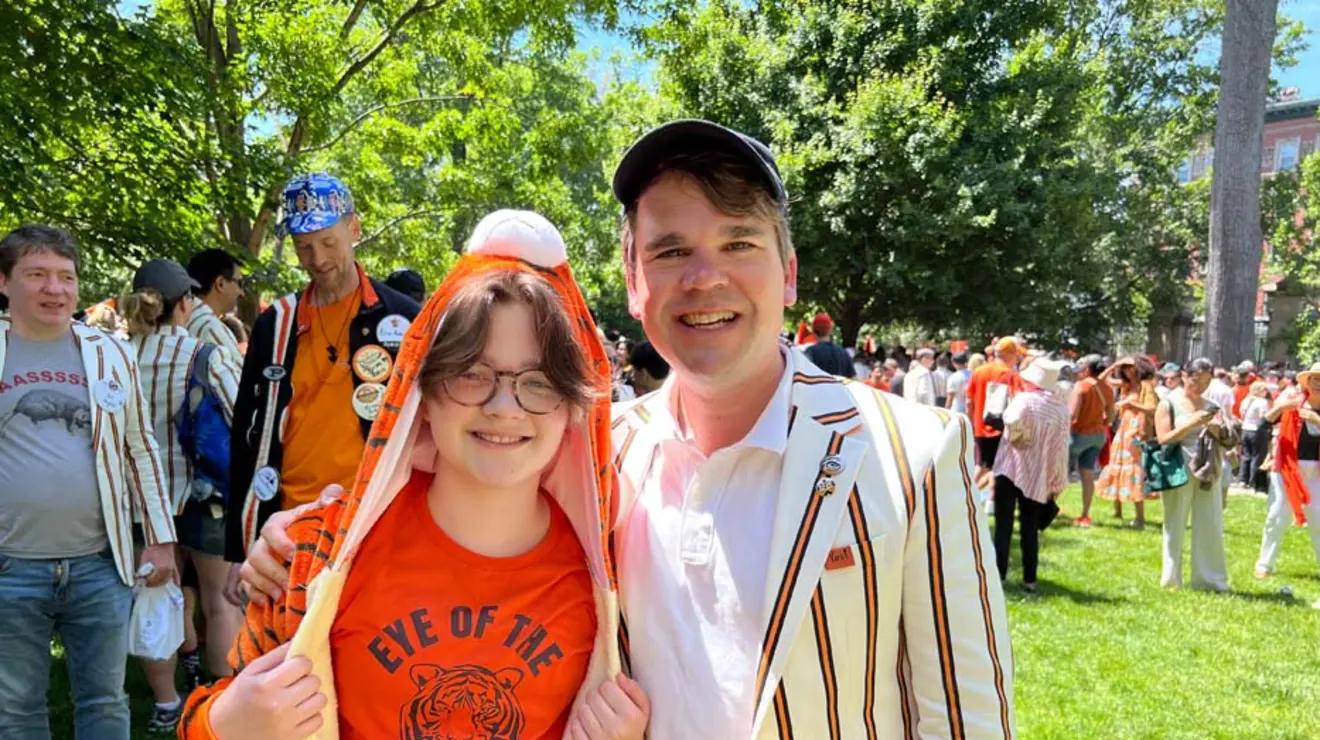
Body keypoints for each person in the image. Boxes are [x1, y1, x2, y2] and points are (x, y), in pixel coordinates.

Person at [241, 120, 1015, 737]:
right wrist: (298, 545)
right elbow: (444, 477)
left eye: (738, 242)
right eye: (670, 250)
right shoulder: (599, 454)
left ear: (789, 271)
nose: (703, 278)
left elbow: (967, 716)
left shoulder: (912, 452)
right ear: (634, 284)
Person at [181, 211, 647, 739]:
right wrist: (224, 723)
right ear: (420, 397)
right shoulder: (317, 555)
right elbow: (211, 714)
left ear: (571, 409)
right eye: (471, 374)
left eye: (538, 382)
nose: (503, 405)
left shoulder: (615, 580)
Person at [0, 225, 178, 737]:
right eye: (37, 275)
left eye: (65, 277)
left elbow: (140, 446)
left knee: (105, 701)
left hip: (101, 563)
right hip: (10, 566)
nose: (54, 289)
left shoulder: (109, 353)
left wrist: (161, 539)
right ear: (5, 282)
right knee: (15, 708)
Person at [226, 173, 421, 572]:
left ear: (353, 228)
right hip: (290, 528)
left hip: (378, 521)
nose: (317, 259)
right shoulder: (275, 325)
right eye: (303, 247)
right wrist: (243, 546)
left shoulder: (403, 318)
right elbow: (248, 438)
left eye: (328, 242)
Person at [118, 258, 245, 731]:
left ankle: (167, 702)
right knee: (220, 601)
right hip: (204, 496)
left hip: (142, 503)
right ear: (185, 303)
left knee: (160, 601)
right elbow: (241, 418)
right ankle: (224, 701)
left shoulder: (117, 352)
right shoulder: (201, 354)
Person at [1154, 358, 1236, 591]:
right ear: (1183, 376)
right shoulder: (1168, 403)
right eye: (1195, 379)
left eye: (1206, 381)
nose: (1199, 385)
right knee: (1175, 522)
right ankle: (1171, 580)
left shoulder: (1212, 405)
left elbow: (1226, 438)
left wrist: (1216, 428)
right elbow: (1163, 439)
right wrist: (1191, 424)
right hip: (1178, 467)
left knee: (1210, 522)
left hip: (1209, 468)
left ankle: (1210, 580)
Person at [991, 357, 1069, 591]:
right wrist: (1056, 482)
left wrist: (1018, 435)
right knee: (1030, 529)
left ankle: (999, 575)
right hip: (1039, 474)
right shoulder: (1061, 410)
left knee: (1003, 526)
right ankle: (1030, 580)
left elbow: (1011, 419)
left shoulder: (1023, 400)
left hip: (1010, 468)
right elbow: (1060, 449)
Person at [1253, 364, 1320, 580]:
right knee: (1276, 516)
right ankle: (1265, 564)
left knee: (1318, 519)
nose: (1318, 382)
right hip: (1287, 468)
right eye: (1315, 378)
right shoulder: (1294, 402)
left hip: (1317, 471)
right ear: (1307, 382)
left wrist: (1316, 419)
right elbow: (1265, 421)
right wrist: (1282, 407)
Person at [1096, 356, 1158, 529]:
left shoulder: (1145, 386)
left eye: (1130, 367)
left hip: (1136, 431)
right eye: (1124, 368)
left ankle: (1140, 517)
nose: (1127, 371)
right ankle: (1118, 510)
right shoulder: (1125, 385)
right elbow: (1101, 380)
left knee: (1133, 469)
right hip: (1123, 430)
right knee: (1117, 465)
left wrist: (1132, 405)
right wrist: (1114, 365)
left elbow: (1152, 408)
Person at [1068, 354, 1113, 528]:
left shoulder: (1081, 386)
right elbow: (1110, 418)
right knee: (1087, 476)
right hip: (1098, 436)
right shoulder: (1108, 389)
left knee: (1060, 474)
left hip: (1078, 435)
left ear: (1087, 370)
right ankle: (1085, 515)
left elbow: (1073, 415)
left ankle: (1046, 510)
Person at [968, 337, 1023, 473]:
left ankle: (971, 492)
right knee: (998, 471)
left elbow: (969, 401)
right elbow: (1019, 403)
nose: (1018, 357)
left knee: (982, 466)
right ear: (1010, 354)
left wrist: (972, 423)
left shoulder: (978, 371)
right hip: (1002, 429)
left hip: (980, 427)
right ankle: (974, 493)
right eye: (1017, 354)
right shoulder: (1011, 375)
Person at [186, 248, 246, 360]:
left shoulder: (178, 316)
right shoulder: (210, 328)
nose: (242, 293)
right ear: (221, 284)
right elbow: (241, 376)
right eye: (239, 283)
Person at [1238, 381, 1270, 488]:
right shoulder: (1262, 401)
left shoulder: (1246, 400)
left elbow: (1242, 414)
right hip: (1257, 430)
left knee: (1246, 455)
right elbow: (1263, 416)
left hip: (1245, 429)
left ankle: (1243, 479)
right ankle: (1253, 480)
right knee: (1257, 456)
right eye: (1265, 390)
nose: (1266, 392)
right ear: (1260, 391)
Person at [801, 311, 853, 376]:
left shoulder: (810, 352)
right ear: (830, 331)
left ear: (813, 331)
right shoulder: (843, 353)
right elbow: (854, 380)